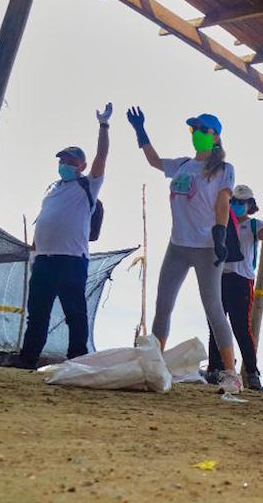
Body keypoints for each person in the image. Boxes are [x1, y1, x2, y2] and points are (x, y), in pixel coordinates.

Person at [125, 107, 241, 394]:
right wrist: (140, 130)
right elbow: (154, 161)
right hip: (178, 245)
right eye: (193, 130)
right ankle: (155, 365)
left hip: (206, 247)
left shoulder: (224, 170)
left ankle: (231, 373)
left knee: (213, 307)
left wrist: (221, 232)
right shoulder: (183, 165)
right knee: (163, 305)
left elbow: (223, 202)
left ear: (215, 137)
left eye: (202, 130)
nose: (197, 134)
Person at [16, 104, 111, 369]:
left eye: (71, 161)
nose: (65, 165)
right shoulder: (52, 188)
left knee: (75, 314)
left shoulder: (87, 186)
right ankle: (27, 359)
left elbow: (102, 157)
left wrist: (103, 126)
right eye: (62, 161)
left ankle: (77, 361)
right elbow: (43, 223)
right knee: (37, 314)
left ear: (81, 165)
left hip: (71, 260)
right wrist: (34, 253)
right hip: (44, 260)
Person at [204, 185, 263, 390]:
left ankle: (251, 372)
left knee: (241, 328)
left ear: (250, 205)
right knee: (216, 324)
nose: (237, 205)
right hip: (219, 277)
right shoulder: (222, 223)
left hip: (242, 280)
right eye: (234, 202)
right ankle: (215, 369)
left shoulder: (254, 225)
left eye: (241, 202)